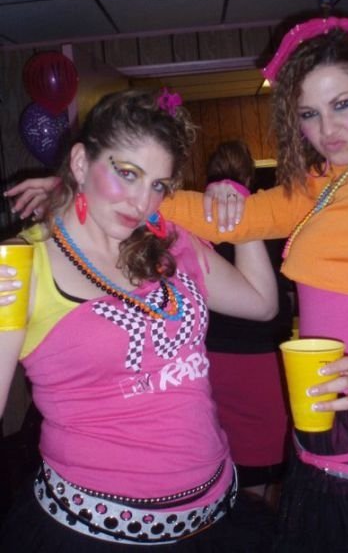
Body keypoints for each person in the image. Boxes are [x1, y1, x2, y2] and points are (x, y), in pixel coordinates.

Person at [8, 15, 348, 551]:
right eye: (309, 114)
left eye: (343, 104)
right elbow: (245, 219)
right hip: (329, 430)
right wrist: (87, 189)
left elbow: (257, 289)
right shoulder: (333, 181)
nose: (327, 130)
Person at [0, 89, 279, 552]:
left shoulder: (169, 241)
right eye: (127, 173)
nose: (142, 201)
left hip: (215, 516)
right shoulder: (22, 264)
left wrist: (241, 215)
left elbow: (260, 303)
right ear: (80, 163)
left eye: (158, 185)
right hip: (93, 531)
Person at [204, 140, 291, 504]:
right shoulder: (268, 218)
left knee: (239, 472)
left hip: (215, 357)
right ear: (250, 175)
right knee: (274, 466)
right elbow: (279, 297)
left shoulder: (197, 219)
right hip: (264, 358)